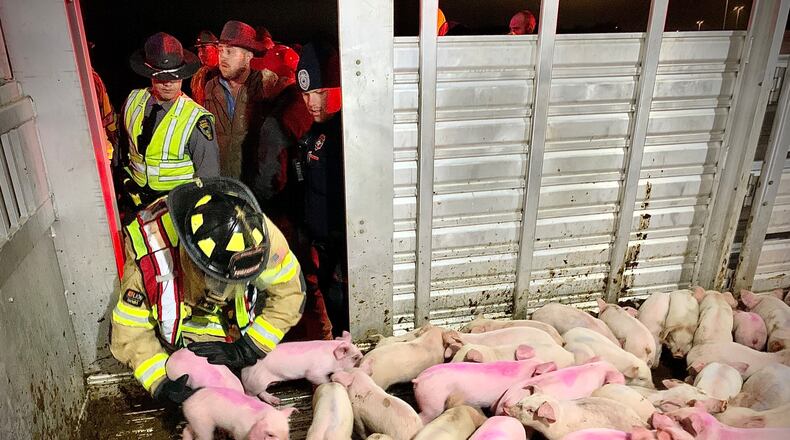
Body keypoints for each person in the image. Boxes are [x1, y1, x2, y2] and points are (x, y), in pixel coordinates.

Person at [110, 177, 306, 402]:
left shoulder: (257, 237)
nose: (223, 291)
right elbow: (130, 332)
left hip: (231, 329)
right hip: (179, 332)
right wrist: (159, 381)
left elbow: (290, 294)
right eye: (218, 281)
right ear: (191, 259)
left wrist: (250, 346)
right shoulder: (150, 256)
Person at [248, 44, 333, 340]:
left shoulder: (277, 121)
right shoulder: (310, 118)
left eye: (267, 73)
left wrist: (259, 207)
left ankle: (314, 340)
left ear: (280, 77)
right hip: (311, 221)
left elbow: (271, 178)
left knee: (300, 285)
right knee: (315, 284)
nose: (262, 79)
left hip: (292, 219)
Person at [115, 32, 219, 216]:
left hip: (176, 207)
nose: (168, 83)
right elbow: (121, 146)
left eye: (175, 76)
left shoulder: (196, 119)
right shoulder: (132, 100)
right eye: (161, 77)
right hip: (134, 202)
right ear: (149, 73)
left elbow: (208, 177)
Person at [294, 41, 348, 336]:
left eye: (320, 93)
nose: (312, 102)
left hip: (342, 241)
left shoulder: (347, 133)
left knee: (341, 300)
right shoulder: (315, 131)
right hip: (322, 239)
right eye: (306, 94)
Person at [203, 20, 265, 180]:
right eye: (220, 50)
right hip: (221, 181)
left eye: (230, 51)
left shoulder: (265, 86)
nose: (222, 57)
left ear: (248, 56)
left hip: (253, 184)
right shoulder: (210, 86)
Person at [190, 30, 220, 106]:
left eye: (204, 49)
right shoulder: (198, 76)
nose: (200, 54)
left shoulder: (227, 74)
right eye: (198, 50)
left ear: (217, 49)